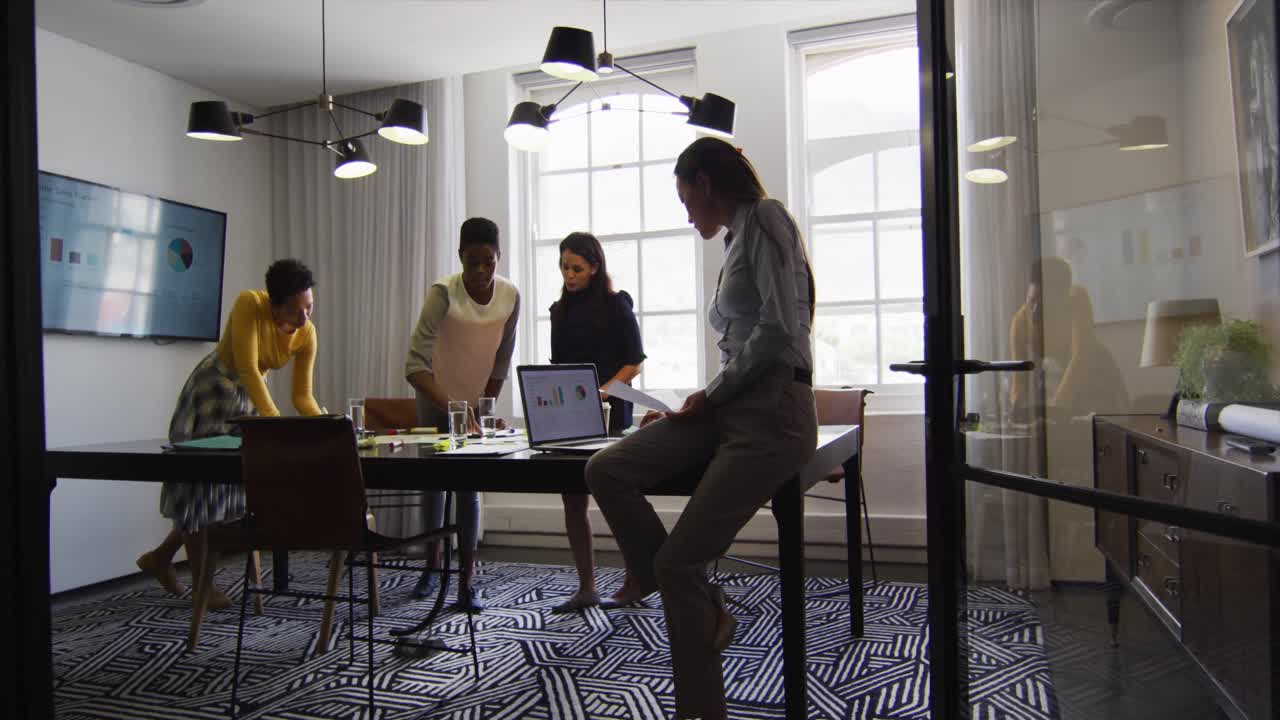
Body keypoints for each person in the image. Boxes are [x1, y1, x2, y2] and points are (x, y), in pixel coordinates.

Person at [585, 137, 817, 720]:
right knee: (606, 468)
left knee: (676, 563)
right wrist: (703, 403)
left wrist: (709, 396)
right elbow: (744, 341)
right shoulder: (738, 237)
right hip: (733, 403)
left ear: (705, 182)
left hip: (773, 410)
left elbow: (778, 332)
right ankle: (703, 602)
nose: (684, 209)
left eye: (683, 194)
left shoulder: (765, 218)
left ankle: (700, 707)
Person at [135, 259, 323, 609]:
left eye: (309, 307)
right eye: (296, 310)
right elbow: (249, 368)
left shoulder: (306, 333)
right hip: (216, 386)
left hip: (252, 395)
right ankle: (202, 588)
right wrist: (273, 421)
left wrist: (323, 422)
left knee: (230, 492)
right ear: (273, 303)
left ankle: (161, 557)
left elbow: (302, 396)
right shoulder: (249, 304)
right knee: (201, 487)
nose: (304, 319)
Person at [405, 217, 519, 611]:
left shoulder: (510, 297)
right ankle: (432, 566)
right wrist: (452, 408)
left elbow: (501, 362)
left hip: (472, 401)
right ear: (460, 258)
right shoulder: (443, 293)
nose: (482, 271)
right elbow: (415, 365)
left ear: (499, 257)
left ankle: (467, 579)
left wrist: (482, 411)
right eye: (473, 262)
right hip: (436, 394)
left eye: (490, 261)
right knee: (434, 485)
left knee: (468, 487)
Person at [546, 232, 646, 613]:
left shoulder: (616, 304)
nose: (570, 275)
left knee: (616, 497)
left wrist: (603, 391)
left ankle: (634, 578)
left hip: (610, 411)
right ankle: (586, 586)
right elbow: (559, 366)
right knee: (573, 498)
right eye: (564, 268)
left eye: (577, 268)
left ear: (594, 267)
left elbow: (634, 360)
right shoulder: (559, 311)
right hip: (570, 413)